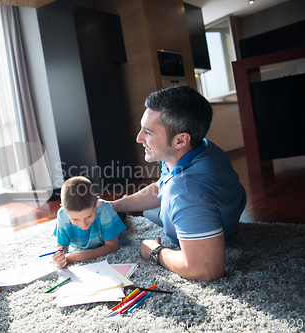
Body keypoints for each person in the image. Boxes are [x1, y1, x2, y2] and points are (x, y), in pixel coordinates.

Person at [110, 85, 246, 282]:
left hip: (209, 223)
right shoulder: (198, 147)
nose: (139, 138)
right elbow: (161, 186)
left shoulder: (186, 191)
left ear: (180, 140)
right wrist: (114, 205)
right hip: (225, 210)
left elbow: (207, 270)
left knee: (153, 211)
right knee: (148, 211)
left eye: (148, 132)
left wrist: (155, 252)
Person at [52, 176, 126, 268]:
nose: (83, 224)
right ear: (63, 208)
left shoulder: (104, 210)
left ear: (96, 203)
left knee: (119, 213)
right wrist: (60, 258)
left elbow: (112, 246)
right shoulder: (62, 214)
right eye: (75, 219)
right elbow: (62, 249)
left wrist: (78, 256)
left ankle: (124, 199)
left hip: (110, 213)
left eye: (89, 216)